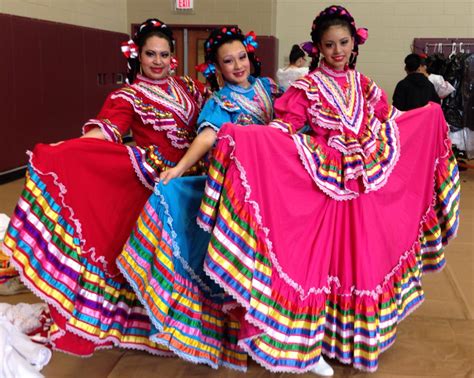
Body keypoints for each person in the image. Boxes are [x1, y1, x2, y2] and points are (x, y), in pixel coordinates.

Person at [196, 4, 460, 374]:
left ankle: (355, 340)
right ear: (317, 47)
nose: (337, 51)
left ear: (354, 44)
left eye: (343, 43)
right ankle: (311, 345)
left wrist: (426, 117)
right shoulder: (306, 86)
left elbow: (388, 119)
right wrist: (248, 139)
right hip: (325, 186)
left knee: (362, 260)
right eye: (329, 44)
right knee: (318, 263)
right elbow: (285, 126)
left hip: (366, 187)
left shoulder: (365, 85)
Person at [2, 18, 207, 356]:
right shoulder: (128, 95)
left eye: (164, 55)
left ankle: (197, 322)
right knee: (161, 254)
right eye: (151, 54)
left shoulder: (189, 87)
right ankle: (160, 323)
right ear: (138, 56)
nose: (158, 61)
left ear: (173, 58)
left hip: (196, 177)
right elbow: (109, 130)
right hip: (159, 184)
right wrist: (69, 151)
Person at [117, 26, 282, 371]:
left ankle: (281, 329)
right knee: (248, 261)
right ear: (217, 69)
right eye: (228, 61)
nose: (237, 66)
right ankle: (247, 335)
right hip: (243, 193)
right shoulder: (219, 102)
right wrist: (179, 169)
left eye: (241, 58)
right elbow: (207, 137)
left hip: (276, 188)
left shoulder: (269, 89)